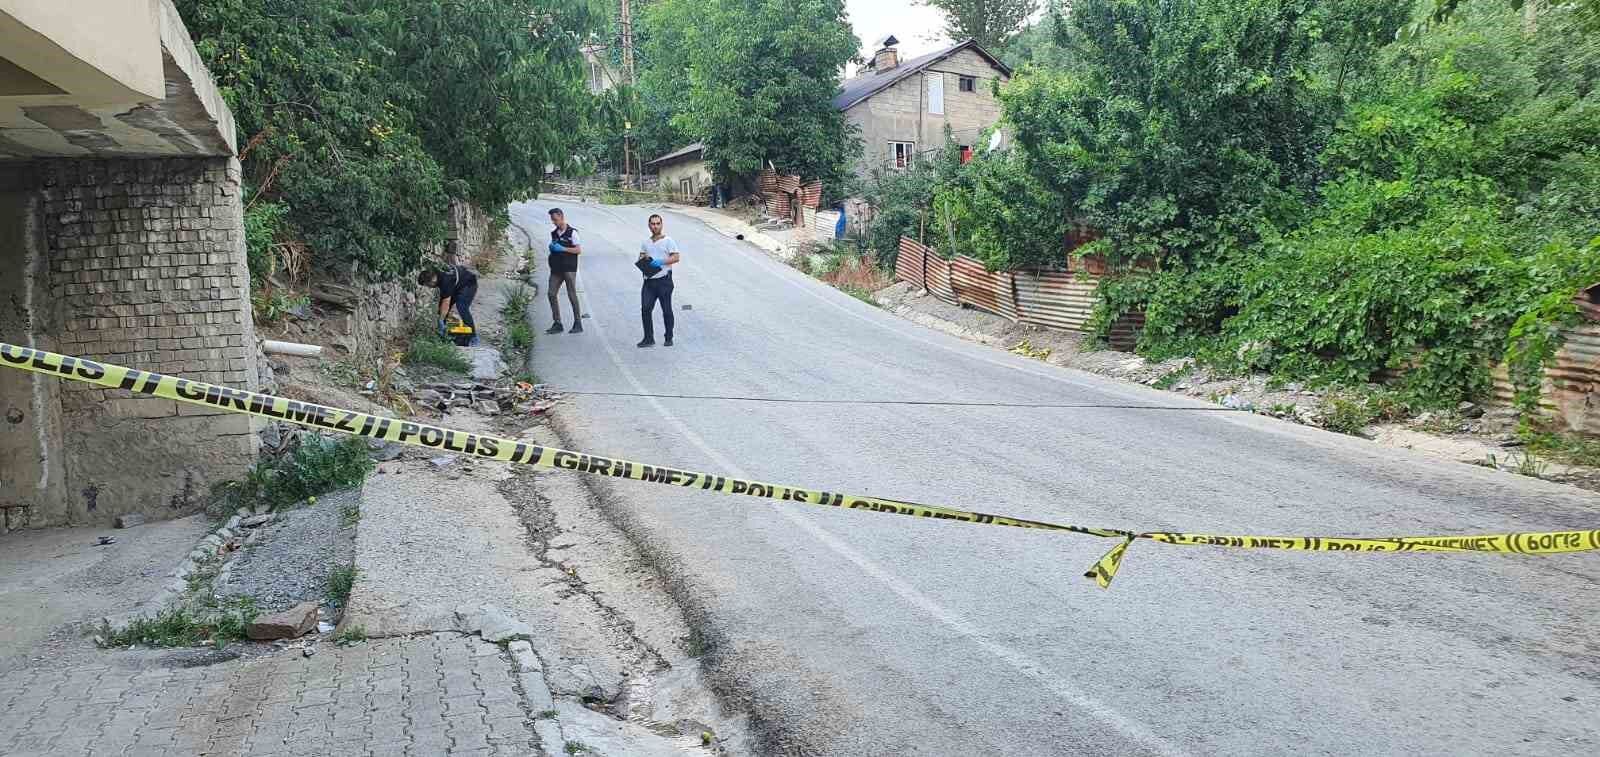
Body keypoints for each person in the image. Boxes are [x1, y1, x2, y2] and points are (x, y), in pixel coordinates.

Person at [635, 213, 682, 348]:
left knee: (666, 309)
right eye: (652, 224)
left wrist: (661, 261)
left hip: (664, 281)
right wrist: (644, 261)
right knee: (645, 309)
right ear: (649, 225)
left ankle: (669, 337)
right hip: (649, 282)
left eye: (657, 224)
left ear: (661, 225)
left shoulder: (668, 241)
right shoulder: (646, 243)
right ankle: (648, 338)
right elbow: (641, 258)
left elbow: (676, 257)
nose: (655, 226)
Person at [417, 254, 479, 346]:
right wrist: (441, 316)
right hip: (456, 285)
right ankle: (443, 335)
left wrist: (441, 320)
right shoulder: (435, 272)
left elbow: (446, 303)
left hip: (469, 283)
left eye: (428, 285)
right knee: (442, 310)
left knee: (462, 306)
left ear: (431, 281)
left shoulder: (445, 281)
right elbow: (444, 302)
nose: (429, 287)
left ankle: (473, 337)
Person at [545, 207, 584, 334]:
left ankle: (578, 323)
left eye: (555, 219)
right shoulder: (554, 233)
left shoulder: (572, 233)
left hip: (569, 268)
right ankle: (557, 323)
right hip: (556, 268)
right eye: (552, 220)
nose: (554, 222)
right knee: (551, 293)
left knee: (571, 294)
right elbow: (554, 247)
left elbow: (578, 250)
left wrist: (563, 249)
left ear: (561, 216)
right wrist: (552, 248)